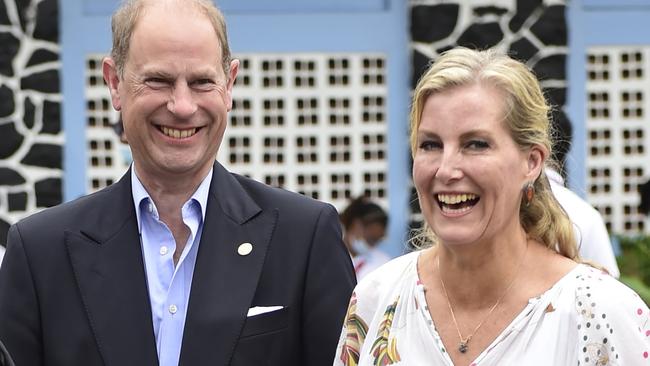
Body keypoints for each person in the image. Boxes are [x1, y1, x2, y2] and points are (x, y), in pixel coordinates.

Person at [0, 1, 355, 365]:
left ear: (229, 84)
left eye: (202, 82)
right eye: (158, 80)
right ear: (114, 82)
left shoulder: (304, 238)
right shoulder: (39, 253)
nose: (183, 106)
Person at [334, 48, 650, 365]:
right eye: (430, 144)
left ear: (532, 162)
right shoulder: (377, 299)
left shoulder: (599, 314)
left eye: (476, 144)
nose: (446, 170)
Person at [339, 197, 391, 280]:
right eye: (371, 239)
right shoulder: (332, 260)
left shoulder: (382, 263)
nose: (372, 246)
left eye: (377, 241)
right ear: (356, 225)